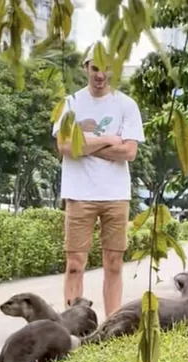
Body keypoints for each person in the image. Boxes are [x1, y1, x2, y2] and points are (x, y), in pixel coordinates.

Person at [52, 46, 145, 318]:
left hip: (115, 195)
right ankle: (73, 320)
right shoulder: (71, 104)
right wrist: (108, 140)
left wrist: (84, 145)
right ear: (86, 68)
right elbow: (65, 147)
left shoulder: (126, 105)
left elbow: (129, 152)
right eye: (95, 68)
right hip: (79, 194)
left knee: (114, 263)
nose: (100, 75)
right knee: (75, 264)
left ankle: (111, 323)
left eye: (105, 68)